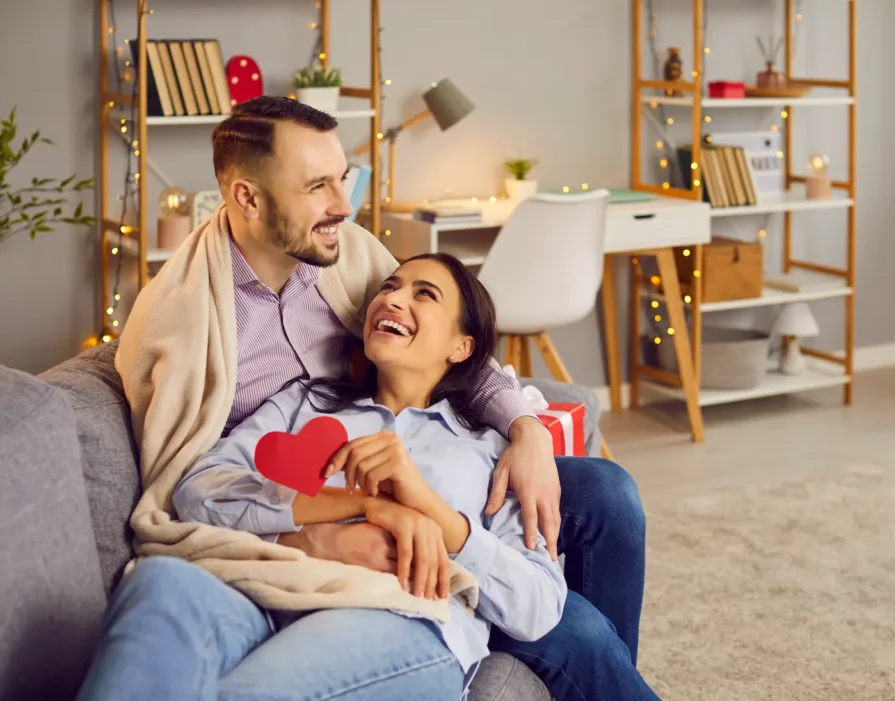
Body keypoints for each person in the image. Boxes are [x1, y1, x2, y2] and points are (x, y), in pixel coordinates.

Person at [106, 97, 646, 691]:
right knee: (583, 635)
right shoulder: (186, 325)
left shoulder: (344, 255)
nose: (344, 206)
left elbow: (457, 347)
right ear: (249, 199)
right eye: (318, 186)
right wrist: (347, 518)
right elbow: (190, 486)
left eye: (343, 179)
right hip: (294, 508)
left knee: (608, 497)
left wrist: (526, 430)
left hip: (430, 542)